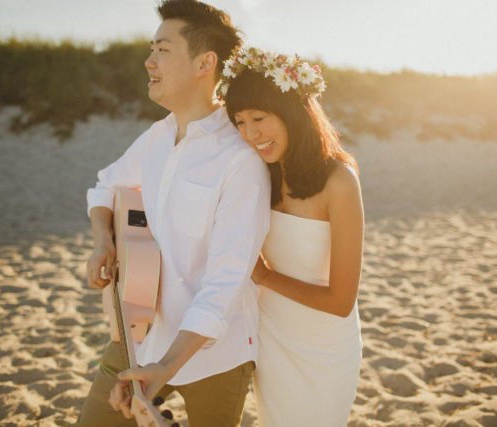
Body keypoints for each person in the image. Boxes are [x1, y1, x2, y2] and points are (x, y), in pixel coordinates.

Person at [77, 1, 271, 426]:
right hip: (138, 336)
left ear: (205, 62)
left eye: (162, 50)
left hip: (215, 356)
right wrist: (103, 242)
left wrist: (168, 366)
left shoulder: (240, 162)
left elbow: (226, 282)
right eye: (151, 49)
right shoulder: (158, 135)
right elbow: (106, 184)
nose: (149, 61)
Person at [222, 47, 364, 427]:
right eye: (239, 121)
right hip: (269, 335)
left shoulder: (339, 181)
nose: (250, 134)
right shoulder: (257, 174)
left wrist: (265, 276)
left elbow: (341, 301)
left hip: (325, 346)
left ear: (291, 114)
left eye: (259, 118)